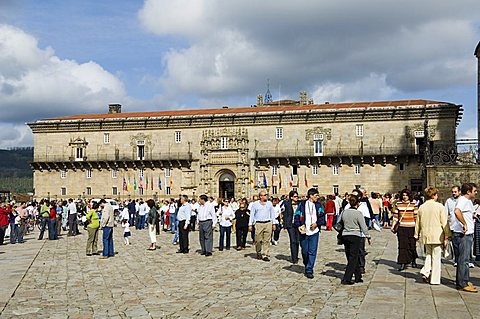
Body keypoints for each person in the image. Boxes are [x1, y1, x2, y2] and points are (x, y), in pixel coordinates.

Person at [414, 187, 451, 285]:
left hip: (426, 235)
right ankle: (434, 279)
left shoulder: (422, 207)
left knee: (429, 255)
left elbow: (418, 222)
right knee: (436, 257)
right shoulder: (439, 206)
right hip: (437, 235)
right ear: (434, 195)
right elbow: (444, 222)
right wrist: (447, 234)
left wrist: (416, 234)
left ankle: (425, 271)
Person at [451, 183, 478, 292]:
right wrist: (464, 224)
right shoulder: (463, 200)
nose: (476, 192)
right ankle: (463, 283)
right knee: (464, 259)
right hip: (464, 235)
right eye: (474, 191)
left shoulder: (467, 201)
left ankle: (462, 281)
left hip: (467, 234)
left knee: (465, 258)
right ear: (468, 192)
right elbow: (457, 211)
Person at [340, 193, 371, 285]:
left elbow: (338, 222)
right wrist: (368, 236)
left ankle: (358, 276)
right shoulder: (358, 213)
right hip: (355, 235)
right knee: (353, 257)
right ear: (357, 203)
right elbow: (363, 226)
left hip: (345, 235)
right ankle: (347, 278)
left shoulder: (343, 212)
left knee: (353, 255)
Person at [294, 188, 325, 279]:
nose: (317, 197)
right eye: (316, 196)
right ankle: (306, 262)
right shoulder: (302, 204)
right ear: (311, 196)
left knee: (312, 251)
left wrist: (317, 224)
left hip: (314, 232)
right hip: (304, 231)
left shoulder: (318, 205)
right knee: (305, 251)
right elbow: (297, 215)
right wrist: (298, 225)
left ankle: (309, 269)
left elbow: (322, 216)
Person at [391, 189, 418, 271]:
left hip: (412, 227)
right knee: (402, 246)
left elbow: (416, 217)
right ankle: (402, 262)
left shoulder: (414, 204)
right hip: (402, 227)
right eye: (403, 195)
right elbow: (396, 216)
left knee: (412, 245)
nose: (405, 197)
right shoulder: (398, 204)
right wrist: (393, 226)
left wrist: (418, 228)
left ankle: (413, 260)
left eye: (406, 195)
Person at [249, 191, 277, 262]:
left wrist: (274, 223)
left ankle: (265, 254)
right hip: (258, 223)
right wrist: (250, 224)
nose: (266, 196)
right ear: (260, 196)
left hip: (268, 223)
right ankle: (258, 252)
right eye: (264, 195)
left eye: (266, 195)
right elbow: (252, 215)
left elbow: (272, 214)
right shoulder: (255, 204)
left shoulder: (269, 204)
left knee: (267, 240)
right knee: (258, 240)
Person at [281, 191, 300, 264]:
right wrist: (285, 226)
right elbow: (285, 215)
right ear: (291, 197)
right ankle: (293, 258)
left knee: (297, 241)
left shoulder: (300, 204)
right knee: (293, 241)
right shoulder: (287, 204)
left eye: (297, 196)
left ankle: (296, 255)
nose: (296, 198)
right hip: (290, 225)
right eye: (295, 196)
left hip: (298, 224)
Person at [445, 185, 461, 266]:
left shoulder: (463, 200)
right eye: (452, 192)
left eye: (455, 192)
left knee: (464, 245)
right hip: (453, 225)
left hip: (462, 226)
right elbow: (445, 213)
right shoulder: (449, 201)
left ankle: (467, 260)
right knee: (455, 245)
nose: (454, 193)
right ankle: (457, 260)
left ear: (459, 192)